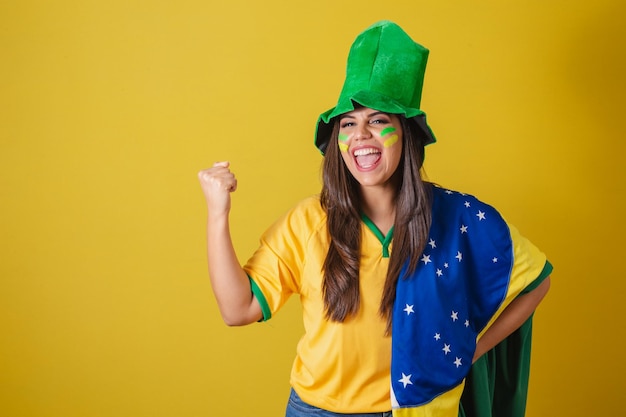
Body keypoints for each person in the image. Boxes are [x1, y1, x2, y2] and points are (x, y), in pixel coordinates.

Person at [198, 21, 552, 417]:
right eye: (349, 123)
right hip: (318, 411)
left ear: (406, 134)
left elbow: (536, 279)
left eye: (379, 120)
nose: (361, 135)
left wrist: (469, 352)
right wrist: (218, 214)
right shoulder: (307, 221)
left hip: (419, 409)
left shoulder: (455, 217)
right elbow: (238, 308)